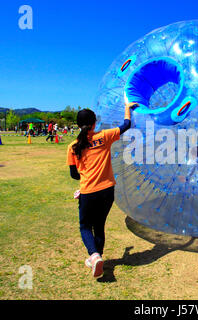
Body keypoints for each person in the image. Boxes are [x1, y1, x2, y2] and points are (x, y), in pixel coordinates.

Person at [67, 102, 138, 279]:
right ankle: (96, 259)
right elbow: (126, 125)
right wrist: (127, 108)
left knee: (85, 226)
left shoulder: (73, 147)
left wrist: (84, 186)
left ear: (77, 125)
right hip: (107, 191)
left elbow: (74, 175)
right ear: (94, 124)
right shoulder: (105, 136)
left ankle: (94, 255)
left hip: (89, 191)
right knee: (99, 226)